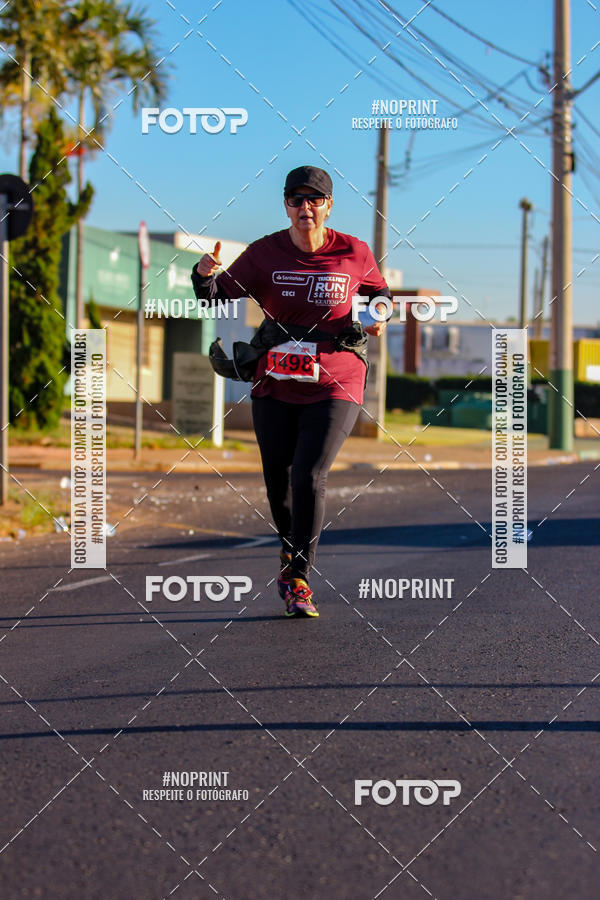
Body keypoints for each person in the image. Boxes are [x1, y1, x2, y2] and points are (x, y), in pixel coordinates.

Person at [191, 165, 390, 618]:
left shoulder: (354, 251)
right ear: (286, 205)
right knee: (277, 481)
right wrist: (203, 275)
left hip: (337, 376)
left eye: (314, 199)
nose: (306, 207)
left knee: (309, 474)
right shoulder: (265, 253)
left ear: (329, 205)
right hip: (275, 378)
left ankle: (299, 577)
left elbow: (381, 293)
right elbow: (215, 294)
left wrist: (381, 315)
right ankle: (288, 549)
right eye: (296, 199)